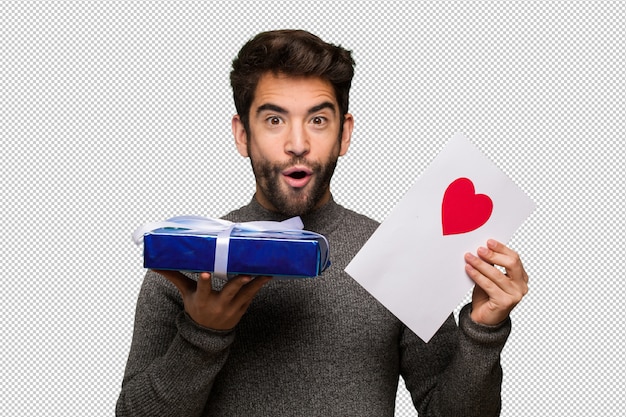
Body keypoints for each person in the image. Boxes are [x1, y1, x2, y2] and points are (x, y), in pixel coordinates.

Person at [116, 29, 529, 416]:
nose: (298, 144)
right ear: (242, 135)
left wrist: (483, 329)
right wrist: (203, 333)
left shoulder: (394, 255)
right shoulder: (187, 259)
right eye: (274, 120)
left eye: (318, 120)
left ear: (344, 134)